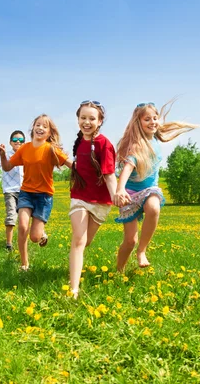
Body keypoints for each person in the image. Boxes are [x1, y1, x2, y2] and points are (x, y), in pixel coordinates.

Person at [114, 100, 198, 271]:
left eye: (155, 118)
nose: (152, 122)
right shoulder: (136, 146)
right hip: (129, 193)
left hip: (149, 190)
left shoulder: (155, 139)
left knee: (153, 207)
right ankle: (119, 271)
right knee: (130, 241)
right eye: (147, 119)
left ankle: (142, 251)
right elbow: (128, 167)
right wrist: (120, 189)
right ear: (138, 123)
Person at [0, 114, 72, 271]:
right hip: (26, 193)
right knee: (23, 226)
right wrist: (3, 155)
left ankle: (42, 234)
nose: (40, 128)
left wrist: (91, 172)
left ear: (50, 132)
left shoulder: (51, 150)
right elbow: (7, 167)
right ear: (33, 128)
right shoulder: (25, 148)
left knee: (34, 237)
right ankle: (24, 264)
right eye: (38, 125)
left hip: (44, 197)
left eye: (45, 126)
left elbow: (71, 165)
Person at [68, 100, 126, 298]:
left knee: (86, 242)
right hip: (79, 197)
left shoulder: (104, 144)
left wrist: (116, 196)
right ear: (78, 120)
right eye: (83, 118)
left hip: (101, 201)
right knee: (78, 240)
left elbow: (109, 175)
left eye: (92, 118)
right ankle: (73, 289)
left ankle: (75, 262)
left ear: (100, 121)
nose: (87, 122)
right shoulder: (79, 142)